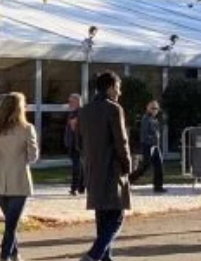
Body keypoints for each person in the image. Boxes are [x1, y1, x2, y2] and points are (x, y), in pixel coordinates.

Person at [78, 71, 132, 261]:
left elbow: (79, 142)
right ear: (110, 88)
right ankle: (94, 254)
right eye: (118, 88)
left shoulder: (84, 110)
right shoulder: (114, 109)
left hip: (93, 168)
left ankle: (105, 256)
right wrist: (127, 164)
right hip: (112, 167)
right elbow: (121, 141)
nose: (119, 92)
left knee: (102, 216)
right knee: (117, 216)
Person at [0, 92, 38, 261]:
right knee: (11, 225)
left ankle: (14, 254)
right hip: (19, 181)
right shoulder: (27, 128)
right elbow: (33, 157)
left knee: (10, 222)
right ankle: (4, 256)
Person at [129, 100, 165, 193]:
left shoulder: (154, 119)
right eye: (153, 108)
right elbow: (144, 135)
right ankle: (129, 180)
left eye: (156, 108)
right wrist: (154, 138)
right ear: (148, 108)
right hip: (148, 146)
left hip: (155, 146)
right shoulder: (146, 119)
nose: (155, 110)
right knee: (145, 166)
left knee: (159, 165)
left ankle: (158, 186)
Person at [65, 93, 85, 196]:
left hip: (77, 143)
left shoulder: (80, 112)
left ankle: (75, 187)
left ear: (77, 102)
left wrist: (74, 124)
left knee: (77, 165)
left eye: (71, 101)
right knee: (79, 165)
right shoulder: (73, 113)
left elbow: (75, 128)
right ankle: (81, 186)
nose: (69, 103)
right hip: (72, 142)